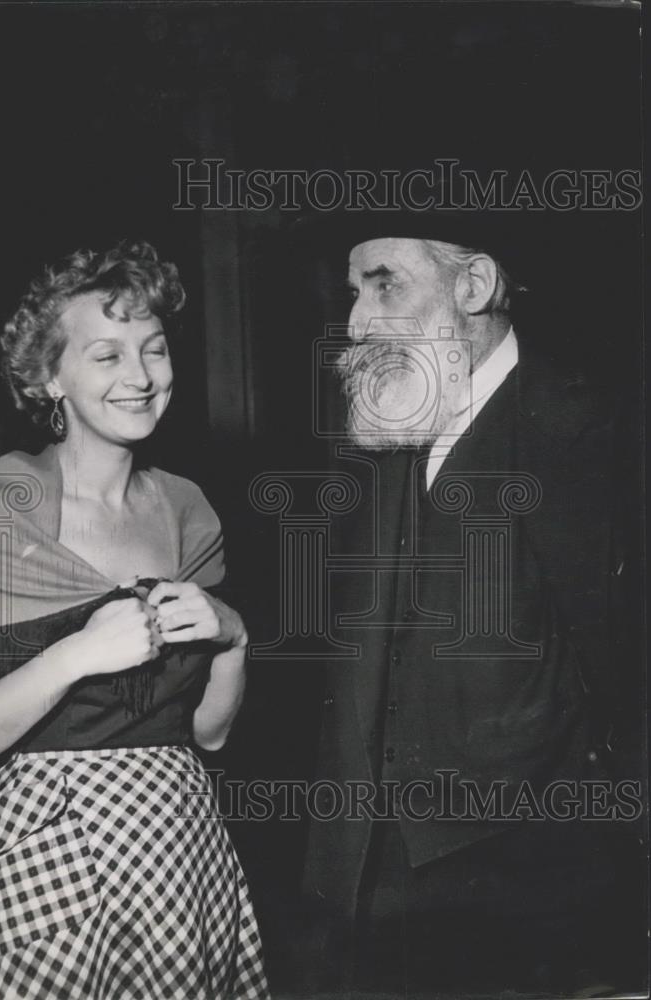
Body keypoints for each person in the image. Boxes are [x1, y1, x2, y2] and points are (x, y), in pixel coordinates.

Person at [0, 240, 269, 1000]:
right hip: (46, 858)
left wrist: (233, 635)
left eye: (154, 349)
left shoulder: (188, 509)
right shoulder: (3, 506)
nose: (140, 377)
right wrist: (76, 653)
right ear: (50, 378)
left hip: (178, 847)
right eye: (106, 355)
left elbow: (209, 734)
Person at [300, 214, 646, 996]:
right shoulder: (386, 422)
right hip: (376, 876)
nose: (356, 321)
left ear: (476, 285)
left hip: (531, 886)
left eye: (383, 283)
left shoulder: (588, 429)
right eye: (353, 291)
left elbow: (624, 671)